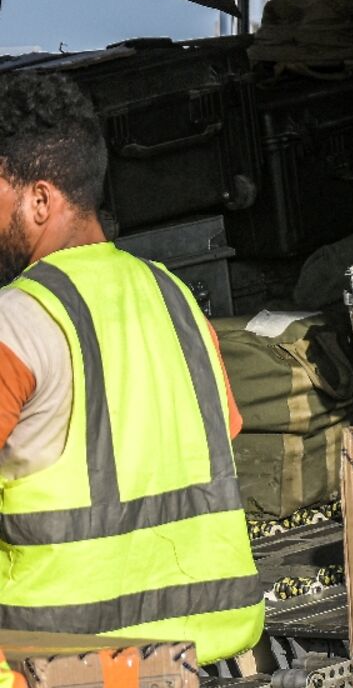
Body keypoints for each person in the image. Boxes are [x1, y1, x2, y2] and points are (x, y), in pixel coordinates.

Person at [0, 73, 263, 662]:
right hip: (206, 644)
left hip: (55, 656)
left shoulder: (15, 321)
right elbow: (226, 430)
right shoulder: (176, 298)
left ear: (39, 199)